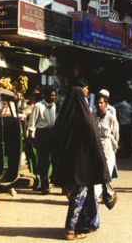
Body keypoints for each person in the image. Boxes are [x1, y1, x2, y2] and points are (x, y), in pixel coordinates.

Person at [51, 84, 110, 240]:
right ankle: (71, 229)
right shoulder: (85, 117)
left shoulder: (64, 117)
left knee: (81, 195)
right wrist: (101, 165)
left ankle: (86, 224)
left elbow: (56, 141)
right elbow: (95, 142)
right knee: (80, 196)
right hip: (83, 165)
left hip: (67, 164)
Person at [27, 86, 57, 194]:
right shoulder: (38, 106)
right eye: (51, 95)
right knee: (43, 160)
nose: (53, 97)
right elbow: (32, 123)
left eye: (54, 95)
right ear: (46, 95)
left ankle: (44, 180)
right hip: (42, 134)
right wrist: (31, 137)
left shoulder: (54, 106)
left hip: (51, 134)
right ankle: (44, 185)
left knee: (50, 160)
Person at [94, 94, 119, 199]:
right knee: (97, 172)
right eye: (98, 103)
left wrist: (114, 146)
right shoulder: (93, 116)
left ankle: (106, 195)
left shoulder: (110, 117)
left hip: (108, 146)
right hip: (97, 146)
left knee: (106, 172)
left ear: (106, 104)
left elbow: (116, 133)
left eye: (101, 103)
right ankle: (99, 195)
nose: (99, 105)